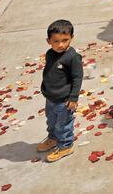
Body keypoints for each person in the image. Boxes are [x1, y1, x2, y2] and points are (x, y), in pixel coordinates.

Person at [38, 19, 82, 163]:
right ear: (48, 41)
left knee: (63, 125)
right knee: (51, 122)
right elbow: (50, 72)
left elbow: (77, 78)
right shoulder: (50, 54)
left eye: (65, 40)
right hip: (50, 98)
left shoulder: (72, 57)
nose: (61, 45)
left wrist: (73, 98)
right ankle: (53, 139)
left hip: (64, 100)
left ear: (71, 38)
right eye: (56, 41)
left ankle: (65, 146)